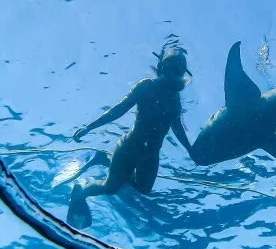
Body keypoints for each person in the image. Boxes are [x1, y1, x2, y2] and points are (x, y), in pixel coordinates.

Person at [67, 45, 194, 229]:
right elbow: (119, 110)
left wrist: (190, 149)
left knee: (144, 189)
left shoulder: (175, 99)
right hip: (130, 148)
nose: (180, 75)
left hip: (151, 155)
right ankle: (82, 193)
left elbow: (177, 128)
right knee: (110, 188)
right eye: (177, 69)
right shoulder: (146, 86)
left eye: (182, 71)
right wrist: (89, 127)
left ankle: (107, 160)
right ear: (165, 68)